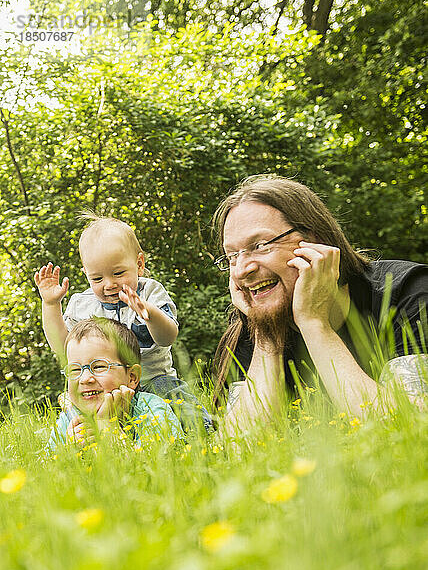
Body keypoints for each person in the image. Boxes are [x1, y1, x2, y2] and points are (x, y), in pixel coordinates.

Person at [212, 175, 427, 429]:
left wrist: (314, 323)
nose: (240, 271)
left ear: (314, 241)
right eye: (231, 257)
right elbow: (237, 451)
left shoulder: (408, 293)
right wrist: (267, 335)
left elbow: (412, 428)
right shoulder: (252, 327)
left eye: (260, 245)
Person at [35, 213, 211, 432]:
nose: (109, 284)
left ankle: (206, 432)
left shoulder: (150, 293)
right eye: (97, 278)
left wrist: (149, 314)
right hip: (103, 386)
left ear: (139, 264)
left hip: (152, 380)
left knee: (178, 405)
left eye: (118, 273)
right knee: (77, 414)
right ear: (86, 274)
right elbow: (63, 348)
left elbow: (168, 337)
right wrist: (51, 305)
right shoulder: (82, 304)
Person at [47, 317, 184, 451]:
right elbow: (46, 468)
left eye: (99, 367)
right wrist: (70, 452)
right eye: (75, 369)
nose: (85, 379)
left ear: (132, 377)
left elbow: (156, 465)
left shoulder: (151, 409)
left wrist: (108, 427)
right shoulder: (68, 421)